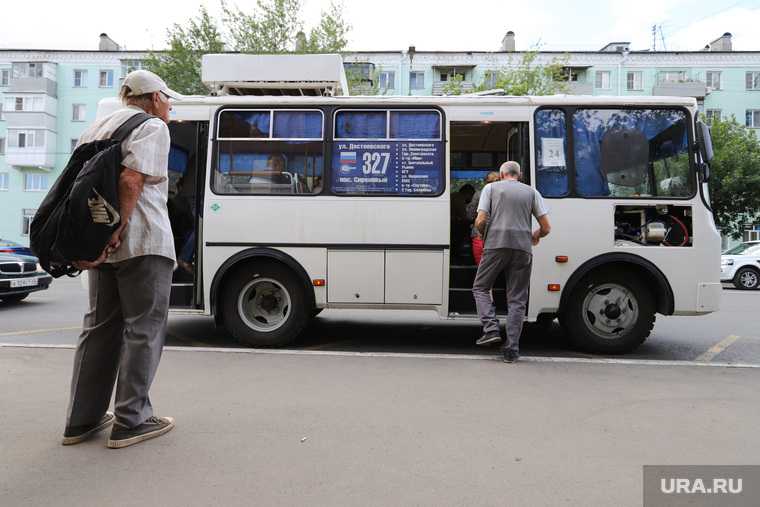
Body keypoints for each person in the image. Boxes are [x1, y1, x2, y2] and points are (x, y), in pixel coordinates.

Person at [62, 70, 181, 448]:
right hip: (142, 241)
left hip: (101, 247)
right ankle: (132, 420)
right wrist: (118, 227)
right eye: (167, 97)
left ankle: (81, 421)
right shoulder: (152, 127)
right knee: (143, 328)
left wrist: (99, 238)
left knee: (100, 328)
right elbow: (131, 180)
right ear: (154, 98)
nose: (170, 105)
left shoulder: (96, 128)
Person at [471, 161, 551, 363]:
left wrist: (484, 235)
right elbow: (547, 227)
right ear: (520, 174)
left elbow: (480, 220)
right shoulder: (532, 192)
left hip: (495, 245)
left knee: (480, 287)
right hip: (522, 248)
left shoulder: (490, 188)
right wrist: (536, 235)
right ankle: (512, 349)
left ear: (501, 174)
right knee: (517, 298)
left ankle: (490, 329)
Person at [467, 171, 500, 264]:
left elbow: (470, 215)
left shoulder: (479, 194)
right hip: (499, 237)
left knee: (481, 268)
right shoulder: (507, 195)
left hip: (479, 236)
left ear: (485, 182)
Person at [450, 183, 476, 258]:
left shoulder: (454, 196)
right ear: (467, 193)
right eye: (471, 196)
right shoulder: (459, 199)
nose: (471, 199)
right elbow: (464, 218)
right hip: (453, 225)